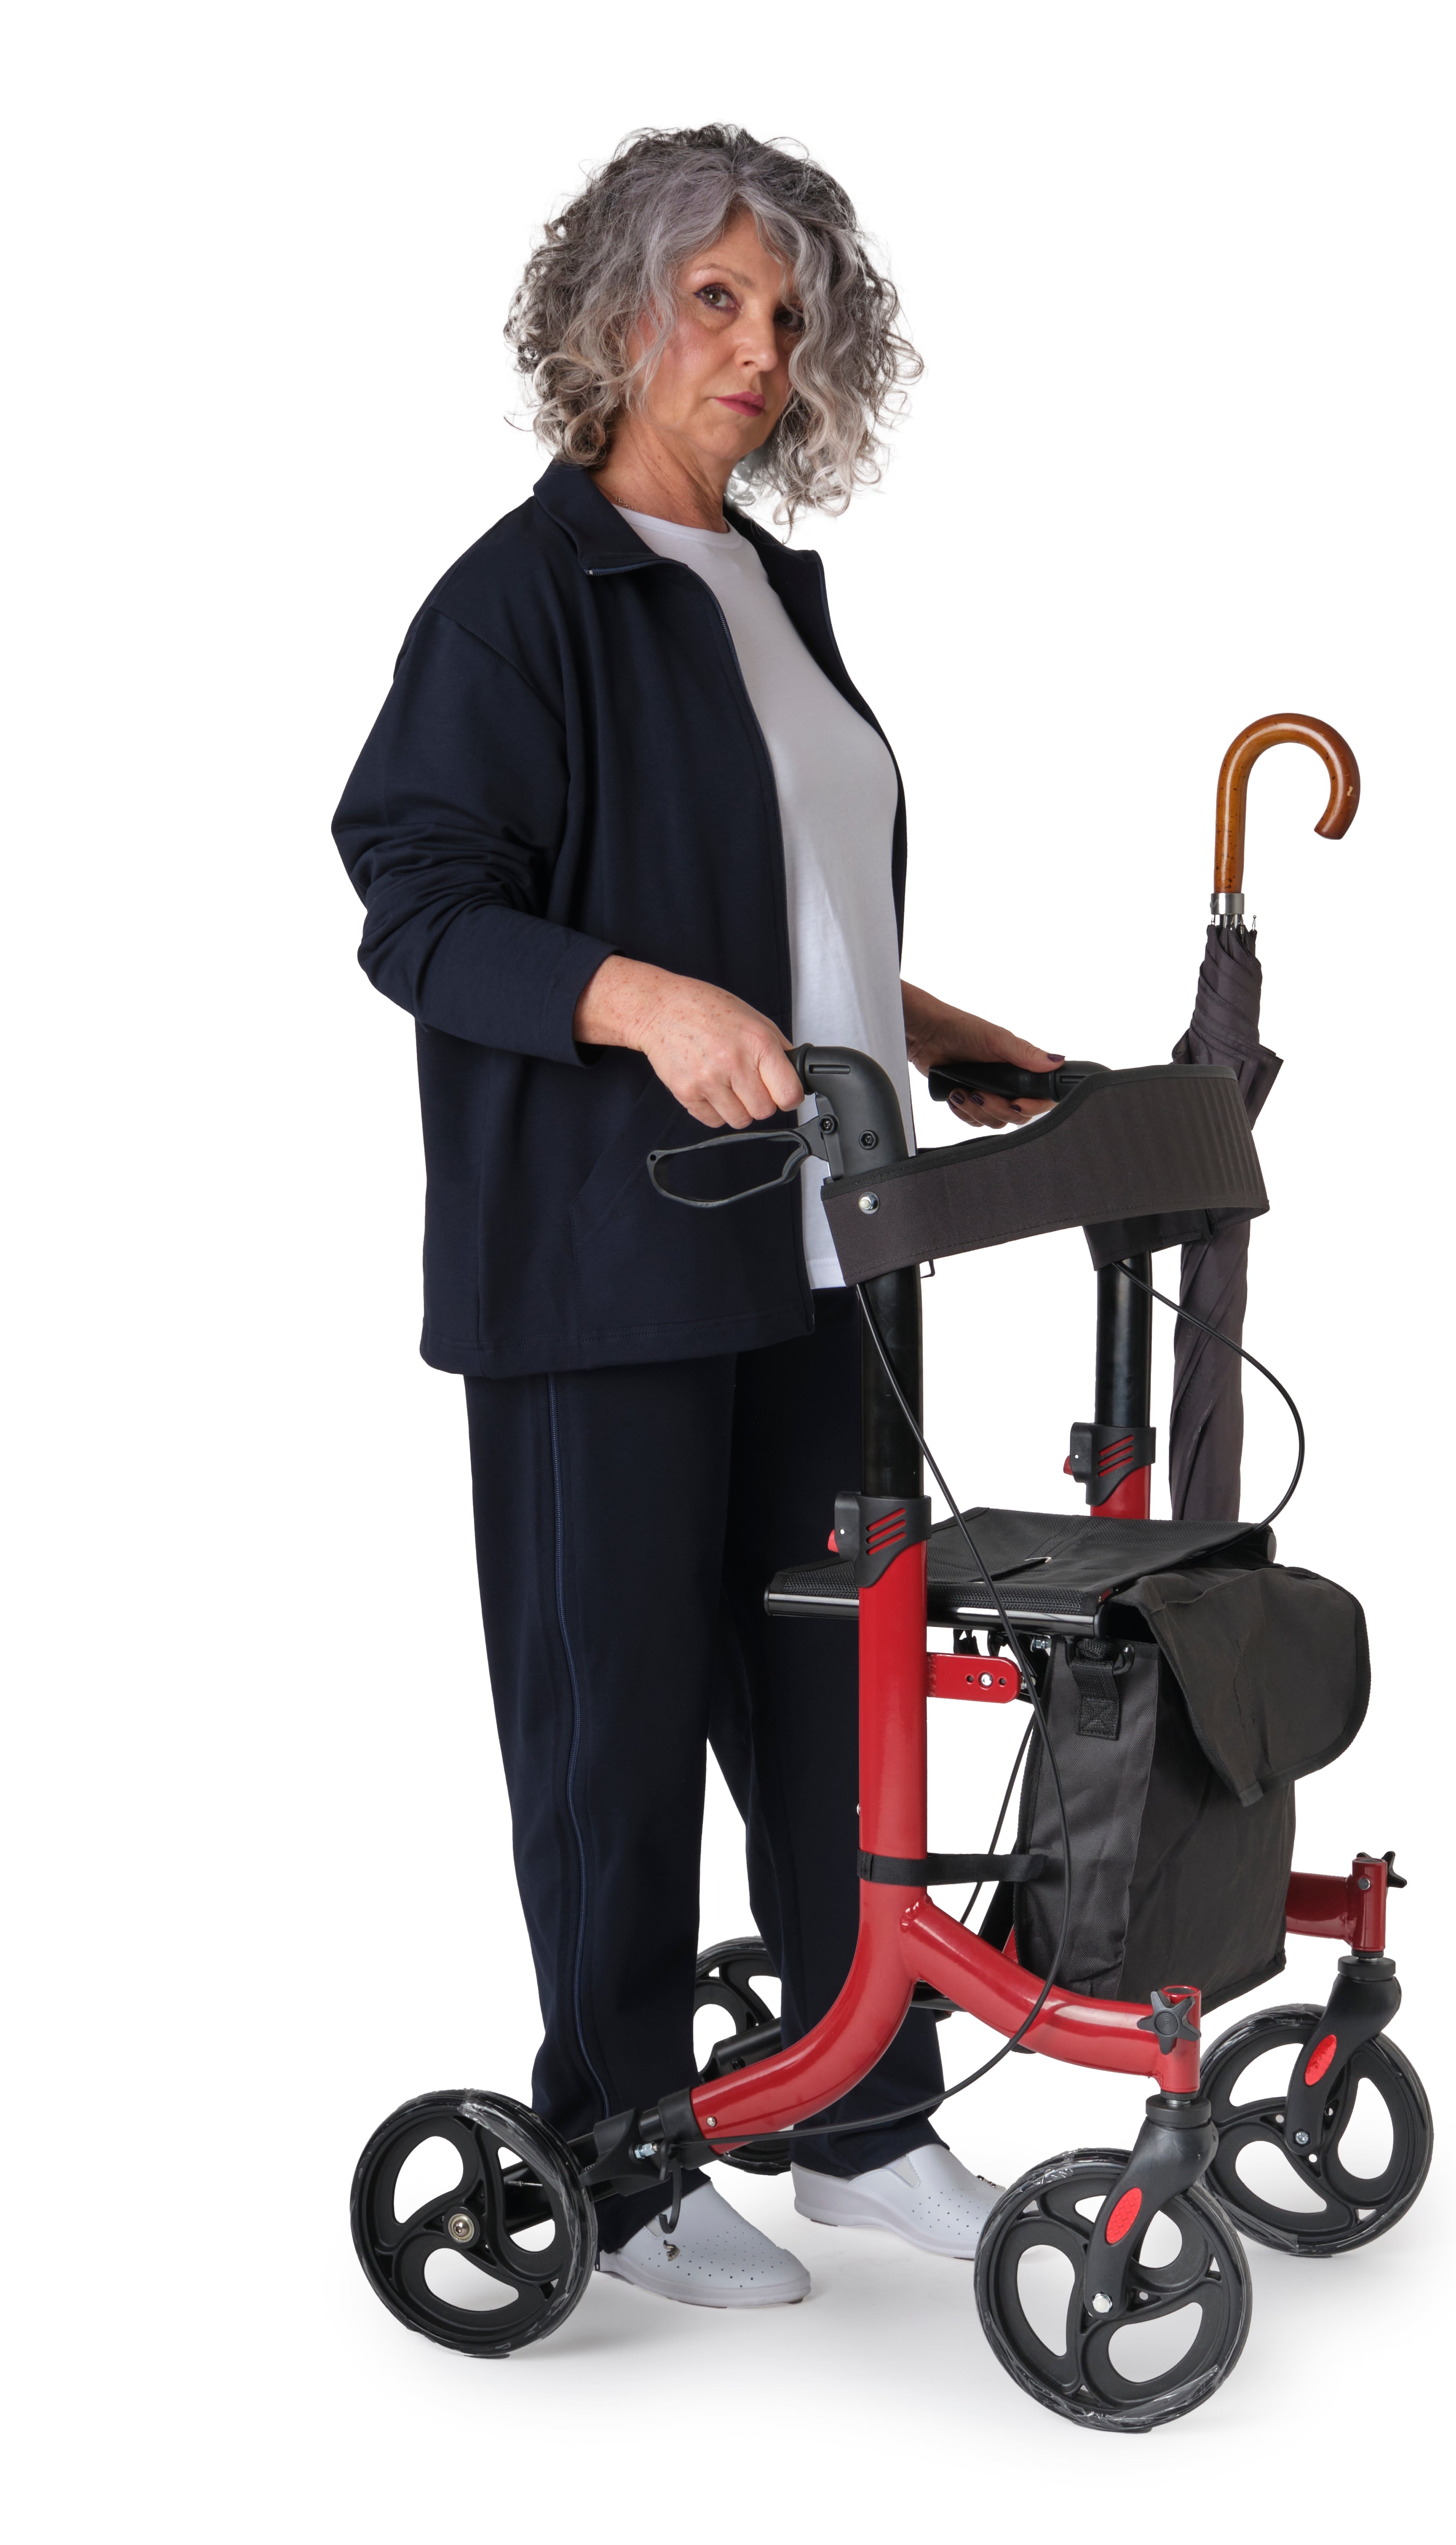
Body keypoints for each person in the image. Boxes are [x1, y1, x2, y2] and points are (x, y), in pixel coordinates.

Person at [333, 125, 1060, 2310]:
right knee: (621, 1719)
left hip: (834, 1252)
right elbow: (416, 903)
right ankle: (620, 2150)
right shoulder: (522, 599)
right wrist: (639, 1002)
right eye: (713, 299)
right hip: (611, 1263)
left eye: (788, 313)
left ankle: (858, 2113)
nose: (756, 349)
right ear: (612, 314)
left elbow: (790, 913)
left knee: (841, 1706)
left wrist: (931, 1026)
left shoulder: (774, 592)